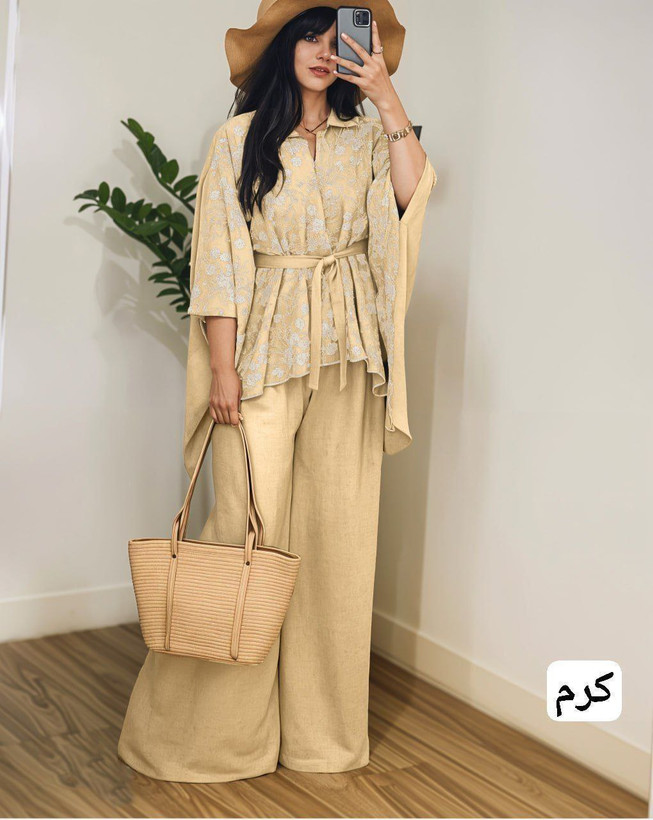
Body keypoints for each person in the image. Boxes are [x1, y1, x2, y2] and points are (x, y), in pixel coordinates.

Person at [117, 0, 437, 783]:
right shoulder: (237, 140)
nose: (325, 51)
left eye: (337, 39)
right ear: (283, 48)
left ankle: (320, 738)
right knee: (242, 531)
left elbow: (407, 202)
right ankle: (207, 739)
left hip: (348, 356)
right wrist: (221, 368)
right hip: (260, 355)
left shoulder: (368, 137)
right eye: (309, 36)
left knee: (337, 542)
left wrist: (387, 97)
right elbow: (219, 261)